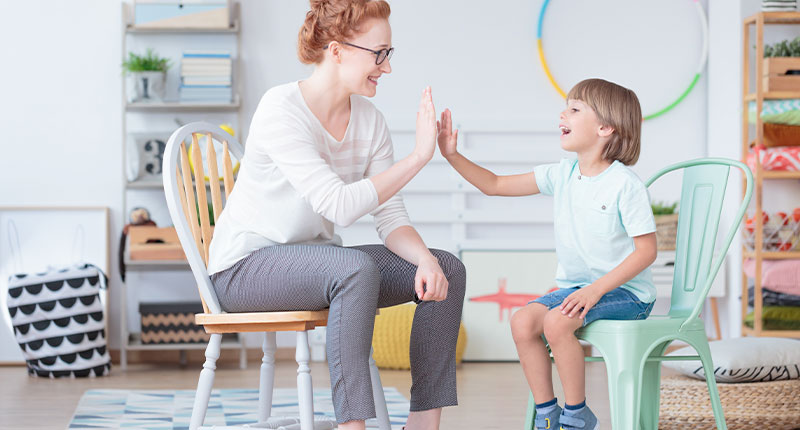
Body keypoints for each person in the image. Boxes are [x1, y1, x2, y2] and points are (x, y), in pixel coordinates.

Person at [207, 1, 465, 429]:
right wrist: (419, 157)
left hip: (322, 267)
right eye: (378, 53)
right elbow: (339, 206)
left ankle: (423, 423)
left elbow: (390, 217)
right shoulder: (281, 109)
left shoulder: (370, 121)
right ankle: (353, 425)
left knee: (447, 269)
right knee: (355, 268)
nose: (385, 67)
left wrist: (424, 259)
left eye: (389, 53)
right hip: (244, 269)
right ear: (337, 49)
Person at [437, 78, 657, 430]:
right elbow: (494, 185)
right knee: (522, 321)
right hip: (577, 289)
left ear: (605, 127)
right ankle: (548, 415)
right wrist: (451, 155)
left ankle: (576, 416)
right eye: (565, 107)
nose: (562, 114)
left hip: (627, 294)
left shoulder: (625, 185)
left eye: (574, 109)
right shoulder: (563, 174)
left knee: (556, 322)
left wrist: (595, 290)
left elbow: (646, 252)